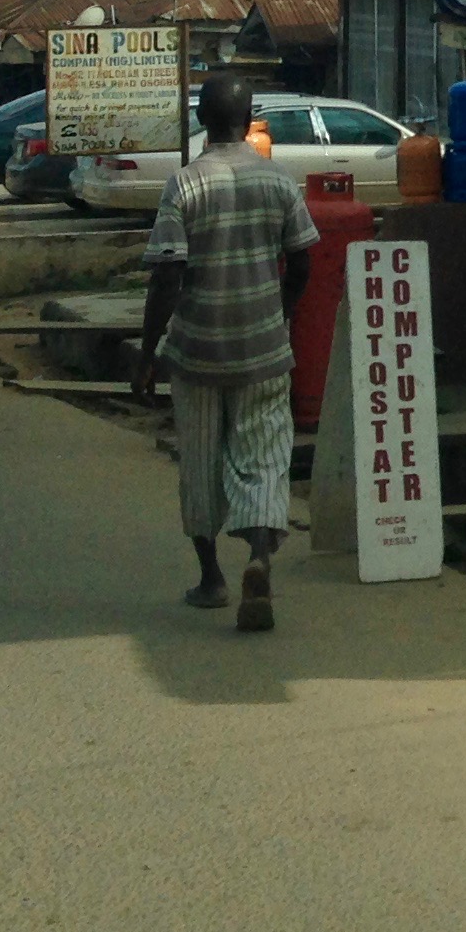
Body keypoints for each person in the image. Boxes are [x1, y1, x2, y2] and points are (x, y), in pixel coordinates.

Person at [133, 74, 318, 630]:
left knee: (200, 462)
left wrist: (147, 354)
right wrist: (281, 309)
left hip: (196, 352)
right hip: (263, 349)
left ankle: (212, 579)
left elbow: (166, 276)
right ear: (251, 116)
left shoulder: (184, 185)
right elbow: (304, 259)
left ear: (202, 121)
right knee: (262, 458)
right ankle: (259, 559)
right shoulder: (280, 182)